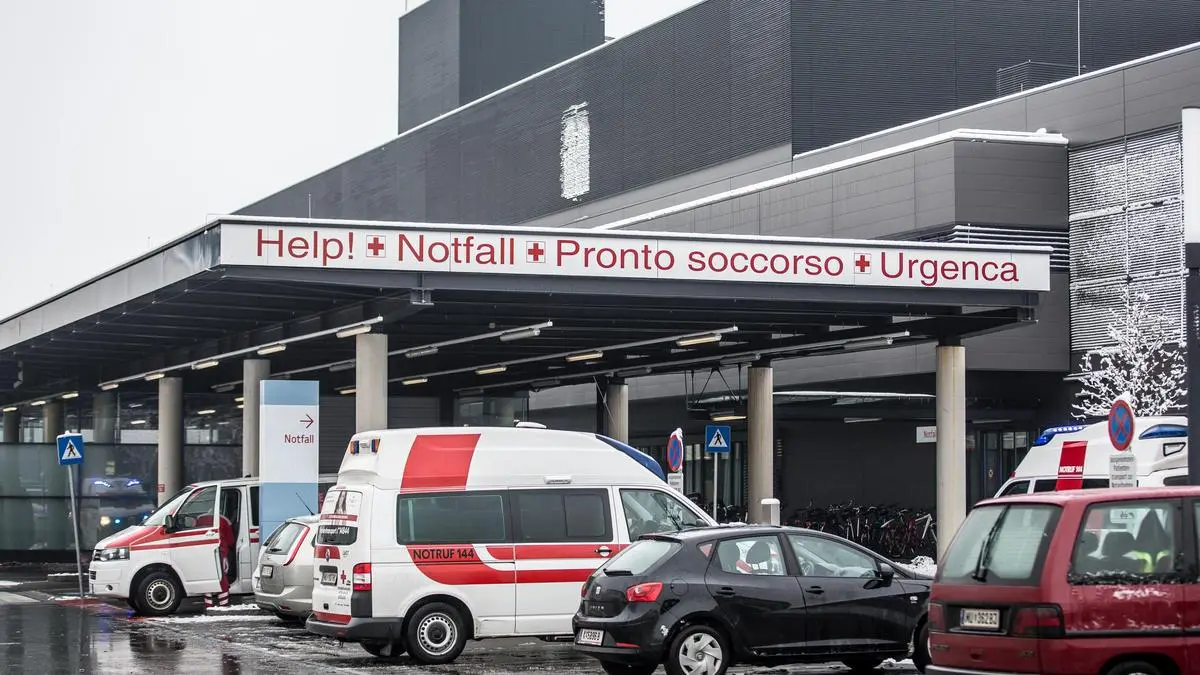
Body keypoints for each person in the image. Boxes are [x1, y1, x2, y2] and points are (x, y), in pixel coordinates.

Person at [196, 511, 236, 607]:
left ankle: (208, 604)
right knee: (222, 578)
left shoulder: (199, 519)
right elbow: (231, 541)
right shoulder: (224, 520)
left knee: (207, 577)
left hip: (203, 552)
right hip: (220, 552)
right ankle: (224, 604)